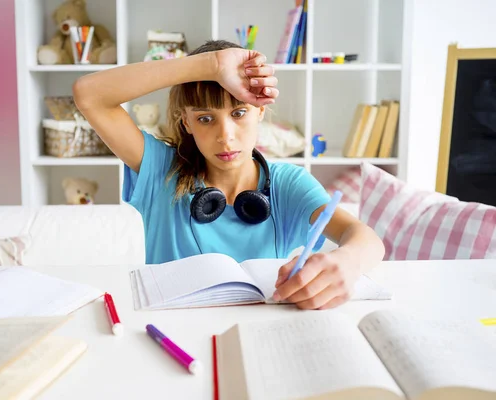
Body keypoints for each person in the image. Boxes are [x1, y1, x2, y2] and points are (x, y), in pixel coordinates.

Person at [73, 40, 385, 310]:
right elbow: (89, 94)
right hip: (172, 336)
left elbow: (367, 240)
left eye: (238, 114)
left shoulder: (286, 184)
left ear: (260, 111)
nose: (225, 136)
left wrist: (346, 263)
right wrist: (213, 64)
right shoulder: (161, 171)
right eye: (205, 118)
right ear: (186, 123)